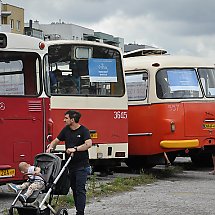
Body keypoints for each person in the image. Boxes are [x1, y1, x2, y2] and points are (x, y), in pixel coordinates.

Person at [46, 110, 92, 215]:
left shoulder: (83, 130)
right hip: (70, 165)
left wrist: (75, 149)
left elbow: (88, 144)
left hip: (82, 165)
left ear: (72, 119)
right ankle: (78, 209)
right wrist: (51, 147)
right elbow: (56, 140)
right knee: (74, 189)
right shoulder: (66, 130)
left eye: (66, 118)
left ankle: (80, 212)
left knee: (80, 189)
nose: (64, 120)